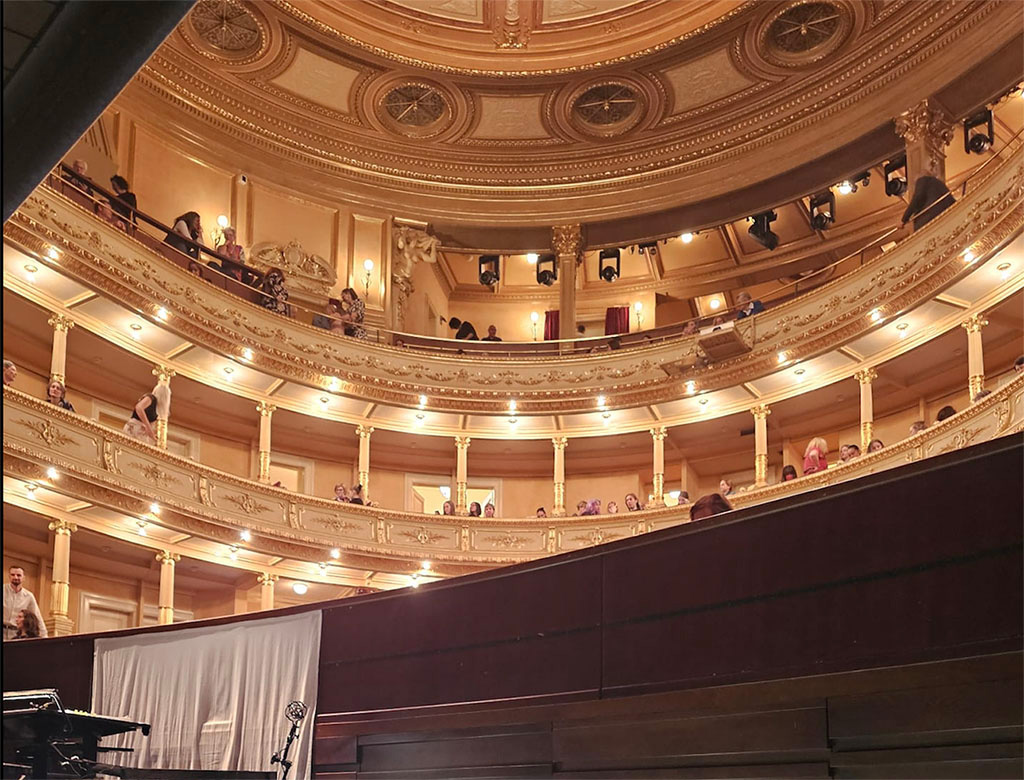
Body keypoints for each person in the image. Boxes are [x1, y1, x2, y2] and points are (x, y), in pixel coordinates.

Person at [3, 566, 47, 641]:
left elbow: (37, 617)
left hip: (16, 634)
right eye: (13, 575)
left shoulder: (29, 596)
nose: (15, 577)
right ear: (9, 576)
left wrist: (44, 636)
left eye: (19, 575)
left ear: (24, 578)